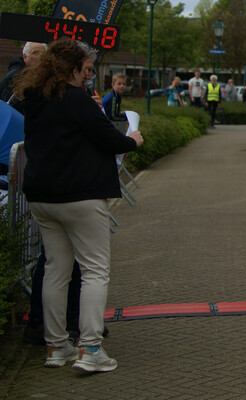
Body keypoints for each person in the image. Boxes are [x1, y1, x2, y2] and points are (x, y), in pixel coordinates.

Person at [13, 37, 144, 372]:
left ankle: (56, 348)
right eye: (84, 70)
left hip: (42, 197)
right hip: (80, 197)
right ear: (71, 68)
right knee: (94, 270)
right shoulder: (78, 100)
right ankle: (90, 349)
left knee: (56, 271)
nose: (87, 77)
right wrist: (134, 140)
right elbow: (109, 139)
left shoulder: (35, 98)